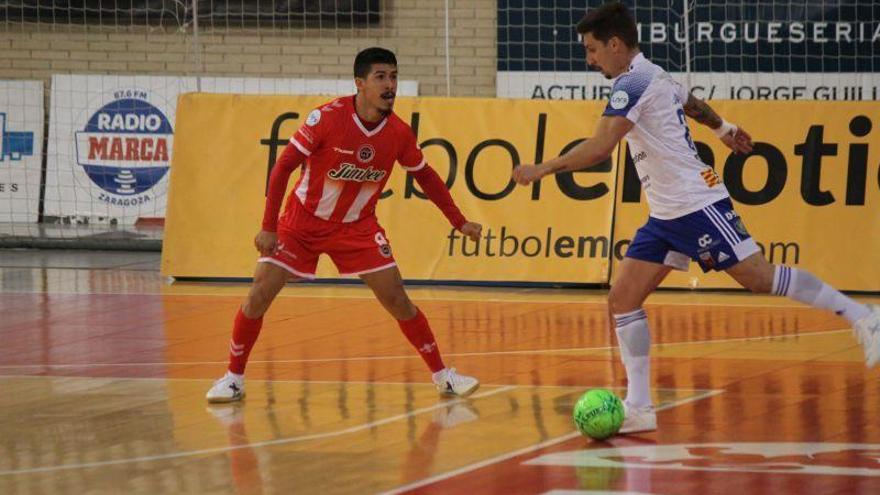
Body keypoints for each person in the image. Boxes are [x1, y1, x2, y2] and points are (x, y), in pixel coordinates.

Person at [511, 2, 880, 434]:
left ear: (615, 44)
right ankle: (640, 407)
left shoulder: (632, 81)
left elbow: (600, 148)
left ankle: (863, 316)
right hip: (666, 215)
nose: (589, 60)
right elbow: (693, 103)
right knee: (623, 299)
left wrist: (543, 168)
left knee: (759, 278)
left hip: (697, 205)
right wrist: (723, 129)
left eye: (592, 50)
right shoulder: (656, 74)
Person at [207, 47, 482, 403]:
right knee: (259, 294)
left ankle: (444, 377)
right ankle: (233, 378)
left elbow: (426, 176)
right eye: (381, 77)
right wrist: (269, 226)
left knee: (397, 298)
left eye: (394, 76)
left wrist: (458, 221)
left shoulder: (398, 132)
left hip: (357, 227)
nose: (390, 85)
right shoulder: (327, 119)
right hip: (301, 222)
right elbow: (282, 168)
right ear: (360, 83)